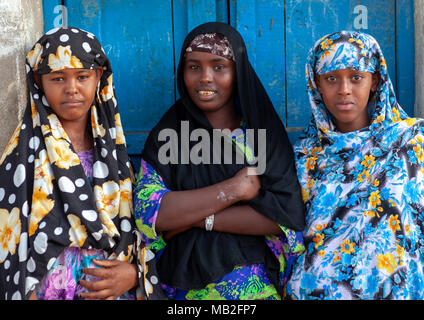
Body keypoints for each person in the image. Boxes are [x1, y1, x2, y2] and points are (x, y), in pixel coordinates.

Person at [134, 22, 305, 300]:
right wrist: (235, 190)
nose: (205, 77)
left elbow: (283, 217)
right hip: (184, 291)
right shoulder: (169, 135)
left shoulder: (261, 134)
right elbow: (151, 212)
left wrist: (195, 218)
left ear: (238, 72)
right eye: (194, 67)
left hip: (254, 288)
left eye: (219, 66)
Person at [0, 27, 143, 300]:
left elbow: (139, 228)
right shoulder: (23, 156)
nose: (72, 88)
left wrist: (134, 273)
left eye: (82, 76)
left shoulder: (114, 154)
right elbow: (10, 239)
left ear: (99, 76)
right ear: (39, 82)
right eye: (58, 78)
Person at [285, 30, 424, 300]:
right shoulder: (303, 156)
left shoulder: (411, 141)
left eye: (356, 77)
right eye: (332, 78)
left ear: (375, 81)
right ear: (317, 85)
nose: (344, 89)